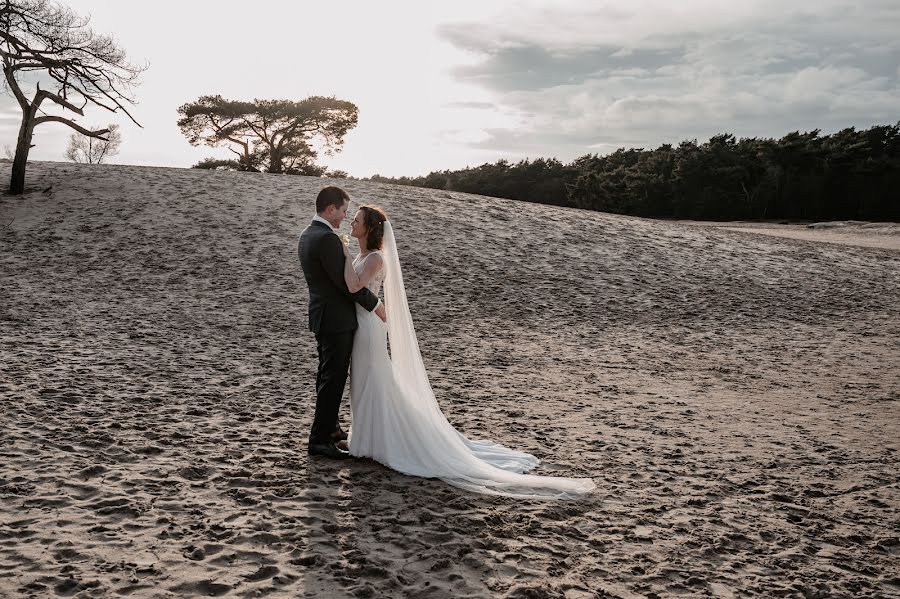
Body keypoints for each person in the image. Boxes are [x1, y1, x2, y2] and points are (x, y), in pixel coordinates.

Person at [340, 204, 595, 499]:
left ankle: (376, 442)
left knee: (375, 380)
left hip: (370, 328)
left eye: (356, 220)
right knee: (363, 380)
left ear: (369, 227)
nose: (352, 223)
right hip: (361, 324)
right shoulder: (361, 255)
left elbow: (356, 285)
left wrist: (342, 255)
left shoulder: (374, 257)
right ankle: (365, 439)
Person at [298, 187, 386, 460]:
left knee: (327, 376)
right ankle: (320, 439)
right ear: (330, 209)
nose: (345, 217)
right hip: (336, 320)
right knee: (332, 379)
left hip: (323, 316)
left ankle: (332, 429)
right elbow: (348, 286)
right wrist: (377, 306)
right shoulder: (327, 239)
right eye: (344, 210)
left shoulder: (308, 234)